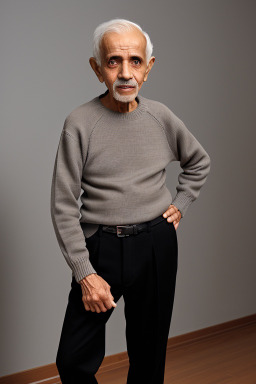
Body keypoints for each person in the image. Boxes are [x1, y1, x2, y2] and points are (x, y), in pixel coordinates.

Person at [50, 18, 211, 384]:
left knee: (149, 357)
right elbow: (62, 204)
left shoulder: (161, 117)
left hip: (156, 244)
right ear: (97, 69)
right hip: (100, 248)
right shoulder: (79, 123)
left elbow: (199, 161)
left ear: (148, 68)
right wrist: (85, 273)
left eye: (135, 61)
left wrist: (182, 202)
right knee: (73, 360)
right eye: (113, 62)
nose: (125, 73)